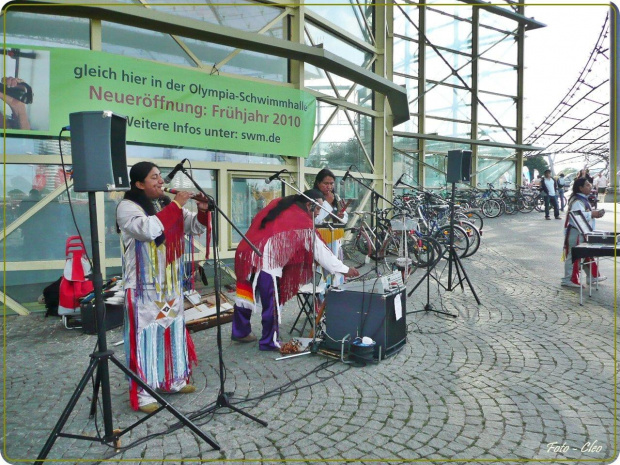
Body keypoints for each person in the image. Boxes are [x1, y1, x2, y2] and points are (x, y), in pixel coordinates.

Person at [116, 161, 211, 413]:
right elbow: (147, 230)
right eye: (154, 177)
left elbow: (195, 227)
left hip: (169, 282)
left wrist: (202, 210)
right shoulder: (128, 207)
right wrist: (178, 204)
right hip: (143, 286)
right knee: (144, 337)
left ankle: (173, 379)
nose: (161, 181)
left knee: (172, 329)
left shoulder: (166, 204)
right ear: (138, 184)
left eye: (160, 176)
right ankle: (144, 393)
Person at [231, 189, 360, 351]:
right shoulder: (302, 222)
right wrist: (345, 269)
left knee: (245, 295)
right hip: (265, 261)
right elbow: (321, 253)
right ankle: (269, 342)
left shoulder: (282, 205)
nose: (319, 213)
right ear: (308, 205)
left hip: (248, 253)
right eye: (318, 208)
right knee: (272, 303)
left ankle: (240, 331)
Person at [561, 178, 606, 288]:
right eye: (587, 185)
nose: (590, 186)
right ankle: (568, 279)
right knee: (574, 256)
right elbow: (577, 216)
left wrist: (593, 214)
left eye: (590, 184)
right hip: (577, 232)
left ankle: (592, 276)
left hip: (582, 231)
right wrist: (592, 214)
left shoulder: (581, 199)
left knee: (586, 254)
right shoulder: (577, 201)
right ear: (580, 188)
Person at [313, 168, 348, 287]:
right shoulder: (313, 197)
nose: (329, 186)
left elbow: (345, 219)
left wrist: (341, 216)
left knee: (335, 274)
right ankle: (320, 300)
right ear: (318, 183)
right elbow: (316, 219)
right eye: (325, 183)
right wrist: (327, 204)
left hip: (335, 240)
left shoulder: (336, 197)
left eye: (331, 183)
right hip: (320, 240)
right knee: (322, 275)